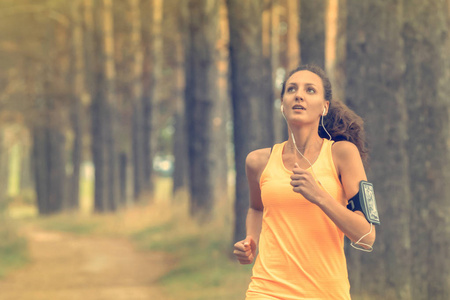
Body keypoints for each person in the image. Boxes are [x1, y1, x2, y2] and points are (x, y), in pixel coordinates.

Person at [233, 64, 377, 299]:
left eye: (310, 90)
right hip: (266, 290)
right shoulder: (258, 161)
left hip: (325, 293)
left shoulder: (343, 154)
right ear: (283, 104)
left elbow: (367, 235)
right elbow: (256, 207)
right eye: (291, 89)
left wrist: (320, 196)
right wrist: (250, 240)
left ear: (324, 106)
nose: (298, 94)